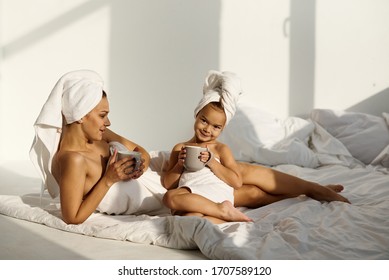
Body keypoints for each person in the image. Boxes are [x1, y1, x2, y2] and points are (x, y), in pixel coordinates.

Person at [162, 70, 350, 224]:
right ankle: (301, 195)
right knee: (193, 215)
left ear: (222, 128)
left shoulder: (220, 149)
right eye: (204, 121)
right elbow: (169, 183)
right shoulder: (180, 147)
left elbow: (235, 180)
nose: (208, 129)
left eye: (216, 126)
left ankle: (314, 190)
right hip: (198, 194)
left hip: (221, 187)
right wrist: (179, 164)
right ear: (196, 116)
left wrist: (212, 162)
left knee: (255, 187)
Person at [29, 70, 151, 224]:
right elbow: (72, 218)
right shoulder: (73, 159)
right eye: (102, 115)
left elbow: (143, 152)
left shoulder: (101, 134)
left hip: (155, 177)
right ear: (80, 115)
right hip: (155, 196)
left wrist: (141, 167)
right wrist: (108, 179)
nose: (108, 123)